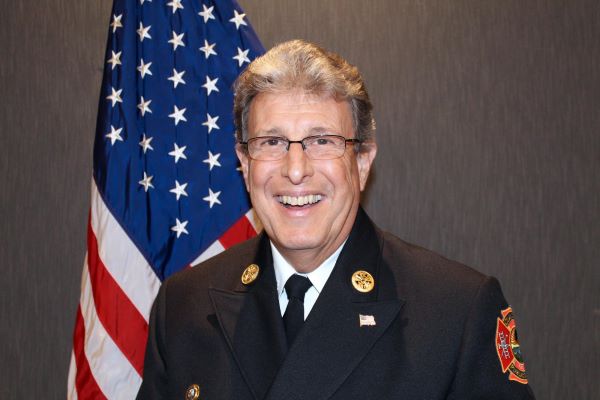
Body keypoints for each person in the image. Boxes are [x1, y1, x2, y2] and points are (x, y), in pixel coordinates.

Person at [137, 39, 535, 399]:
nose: (295, 170)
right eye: (271, 142)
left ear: (362, 162)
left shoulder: (456, 312)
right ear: (244, 163)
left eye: (322, 141)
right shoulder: (183, 306)